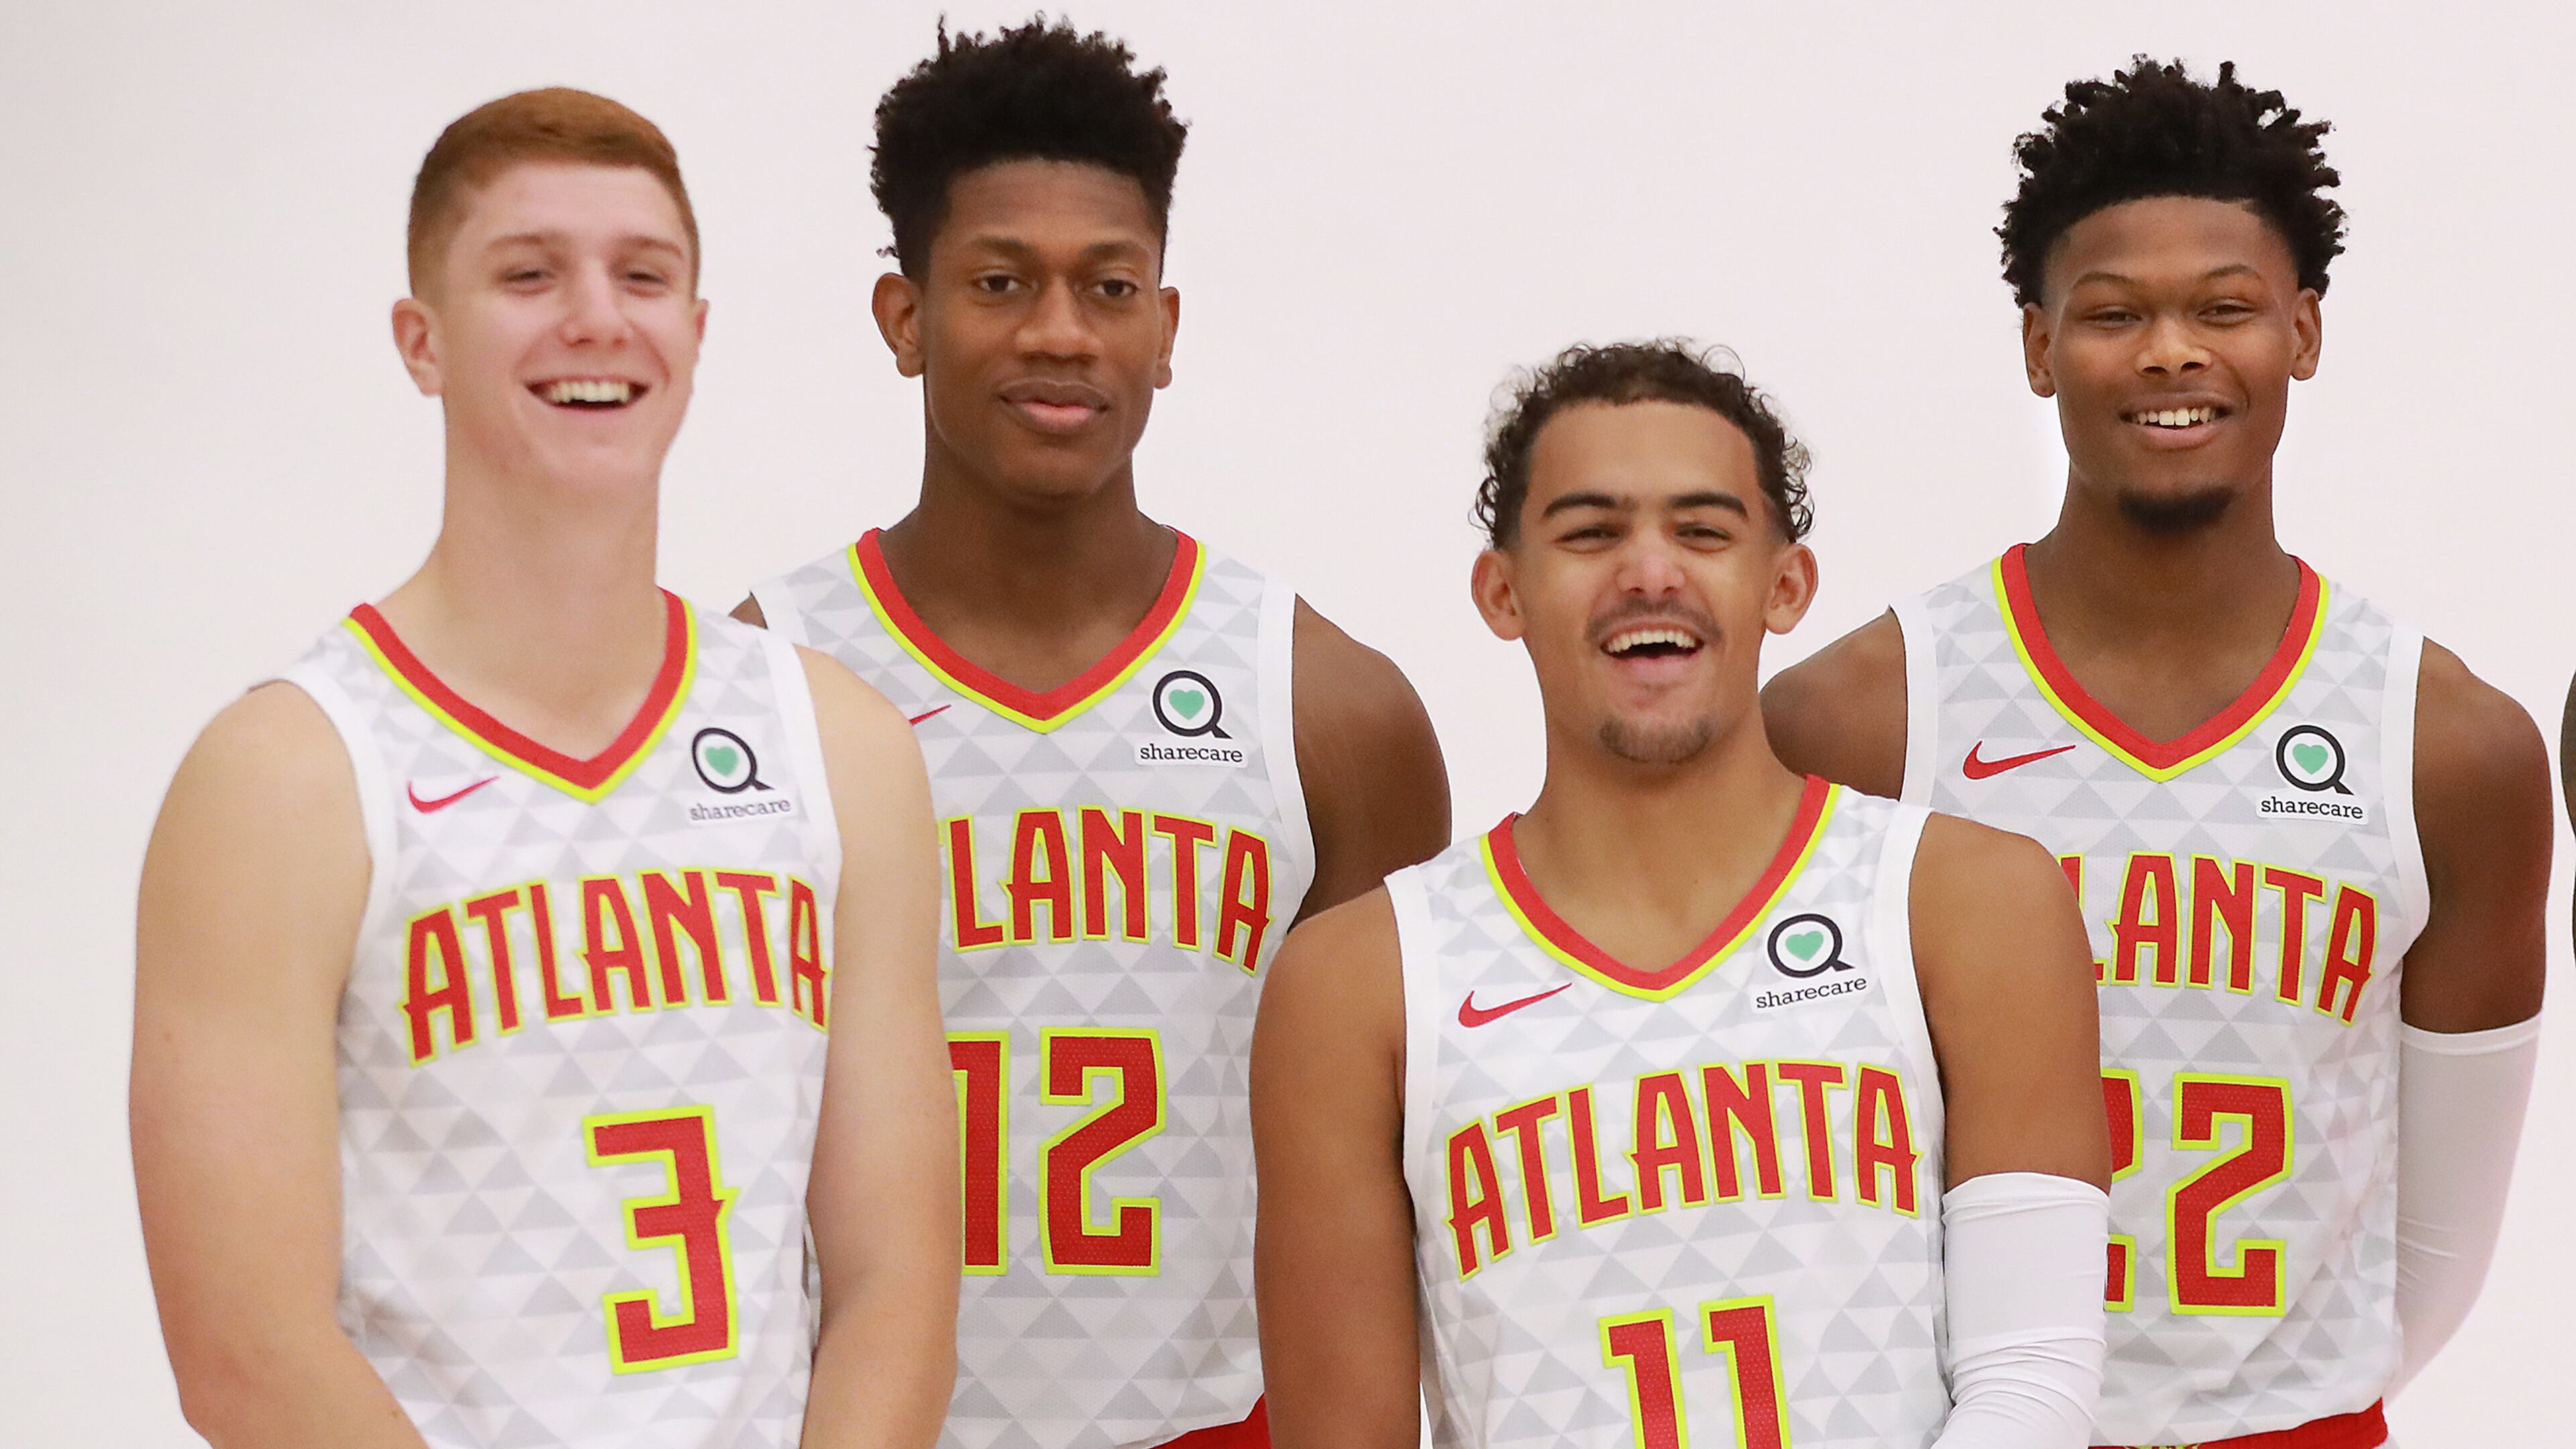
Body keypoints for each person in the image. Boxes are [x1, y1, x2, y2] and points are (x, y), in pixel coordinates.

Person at [131, 89, 959, 1449]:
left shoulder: (838, 747)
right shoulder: (286, 775)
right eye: (528, 274)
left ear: (697, 335)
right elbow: (246, 1352)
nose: (595, 316)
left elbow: (899, 1279)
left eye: (644, 276)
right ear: (423, 342)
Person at [1763, 60, 2552, 1449]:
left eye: (2226, 308)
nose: (2172, 351)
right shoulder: (1866, 716)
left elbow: (2436, 1252)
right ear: (2036, 345)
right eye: (2114, 312)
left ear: (2303, 332)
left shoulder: (2449, 746)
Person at [735, 19, 1449, 1449]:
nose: (1060, 331)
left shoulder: (1327, 708)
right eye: (1001, 282)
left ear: (1165, 329)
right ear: (904, 316)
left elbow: (1412, 1193)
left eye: (1108, 286)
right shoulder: (756, 689)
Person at [1254, 341, 2113, 1449]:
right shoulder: (1358, 981)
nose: (1649, 572)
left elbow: (2033, 1386)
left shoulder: (1966, 901)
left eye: (1704, 531)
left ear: (1786, 584)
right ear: (1502, 591)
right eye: (1590, 531)